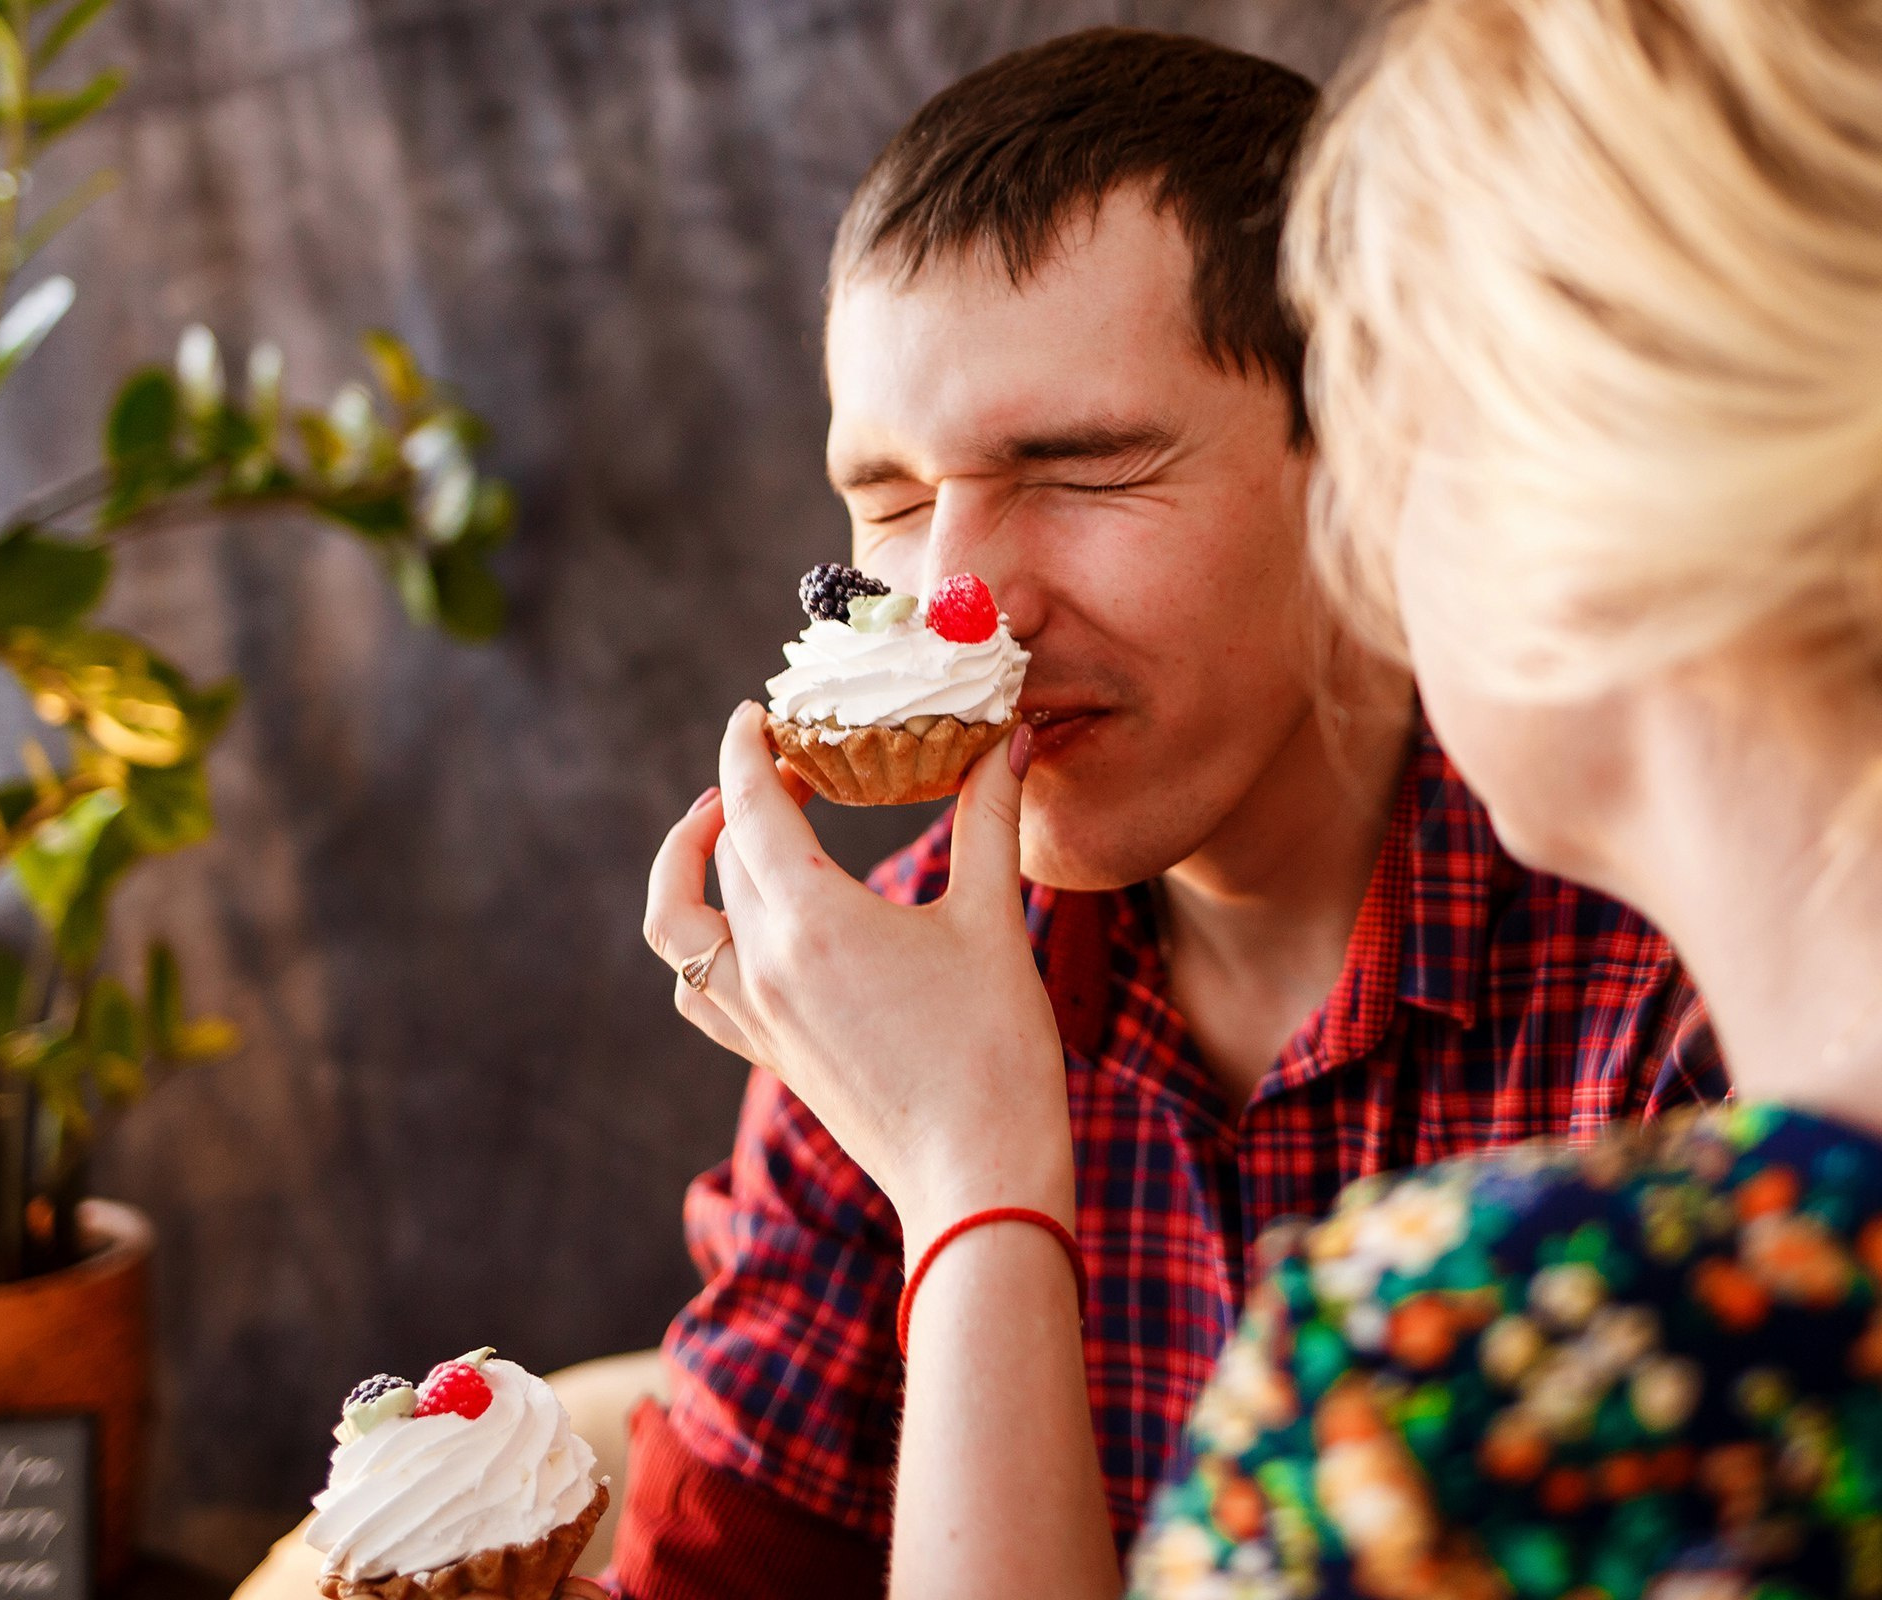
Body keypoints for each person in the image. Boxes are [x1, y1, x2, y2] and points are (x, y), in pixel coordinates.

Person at [642, 0, 1882, 1594]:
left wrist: (968, 1186)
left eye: (1086, 466)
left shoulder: (1683, 971)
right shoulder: (865, 995)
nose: (964, 604)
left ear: (1358, 460)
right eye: (886, 502)